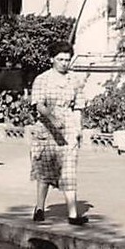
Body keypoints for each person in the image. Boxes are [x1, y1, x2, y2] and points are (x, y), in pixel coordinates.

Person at [29, 41, 86, 225]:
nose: (64, 63)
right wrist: (53, 118)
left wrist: (77, 128)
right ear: (52, 59)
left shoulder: (75, 80)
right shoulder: (42, 79)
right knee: (45, 170)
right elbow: (39, 105)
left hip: (68, 127)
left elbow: (78, 106)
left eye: (67, 60)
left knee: (69, 171)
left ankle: (73, 214)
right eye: (60, 59)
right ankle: (39, 208)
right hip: (47, 129)